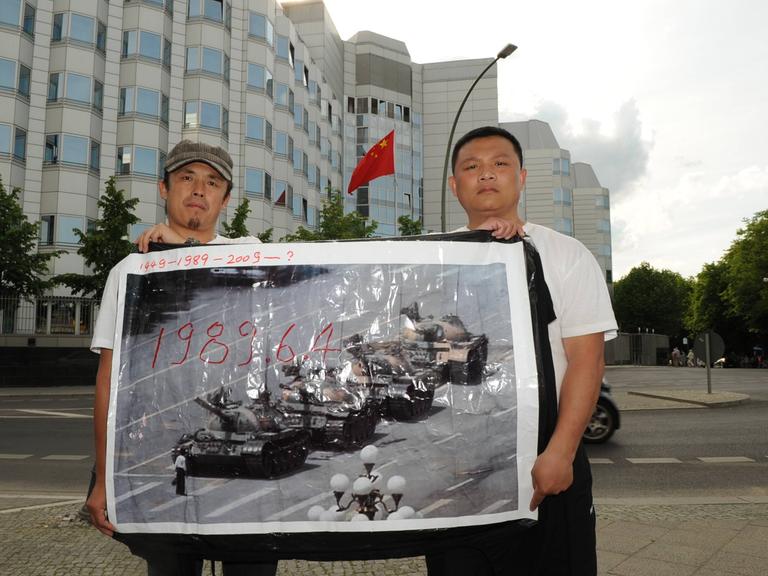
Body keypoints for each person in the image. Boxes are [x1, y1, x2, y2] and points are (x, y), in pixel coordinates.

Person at [424, 126, 617, 575]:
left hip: (547, 459)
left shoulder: (566, 255)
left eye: (499, 164)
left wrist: (561, 453)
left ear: (522, 178)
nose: (485, 174)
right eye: (471, 167)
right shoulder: (433, 260)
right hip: (459, 466)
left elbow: (587, 360)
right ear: (455, 186)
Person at [86, 140, 277, 576]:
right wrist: (102, 478)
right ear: (164, 188)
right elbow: (108, 381)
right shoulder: (131, 271)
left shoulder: (249, 254)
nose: (198, 189)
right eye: (187, 178)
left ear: (225, 199)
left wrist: (180, 245)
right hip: (163, 443)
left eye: (212, 182)